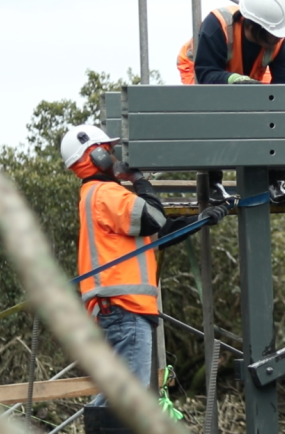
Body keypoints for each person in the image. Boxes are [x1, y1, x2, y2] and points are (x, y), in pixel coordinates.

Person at [60, 125, 229, 430]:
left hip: (115, 310)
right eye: (108, 151)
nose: (113, 157)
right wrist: (140, 180)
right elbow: (153, 218)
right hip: (125, 309)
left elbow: (158, 231)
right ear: (95, 155)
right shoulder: (105, 193)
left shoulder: (97, 196)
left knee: (115, 396)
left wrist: (200, 220)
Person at [177, 0, 285, 205]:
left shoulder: (280, 40)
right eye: (272, 35)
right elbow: (206, 73)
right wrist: (233, 80)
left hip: (249, 74)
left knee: (276, 110)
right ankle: (212, 183)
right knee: (209, 112)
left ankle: (274, 183)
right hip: (200, 69)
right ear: (251, 27)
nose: (277, 39)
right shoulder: (217, 26)